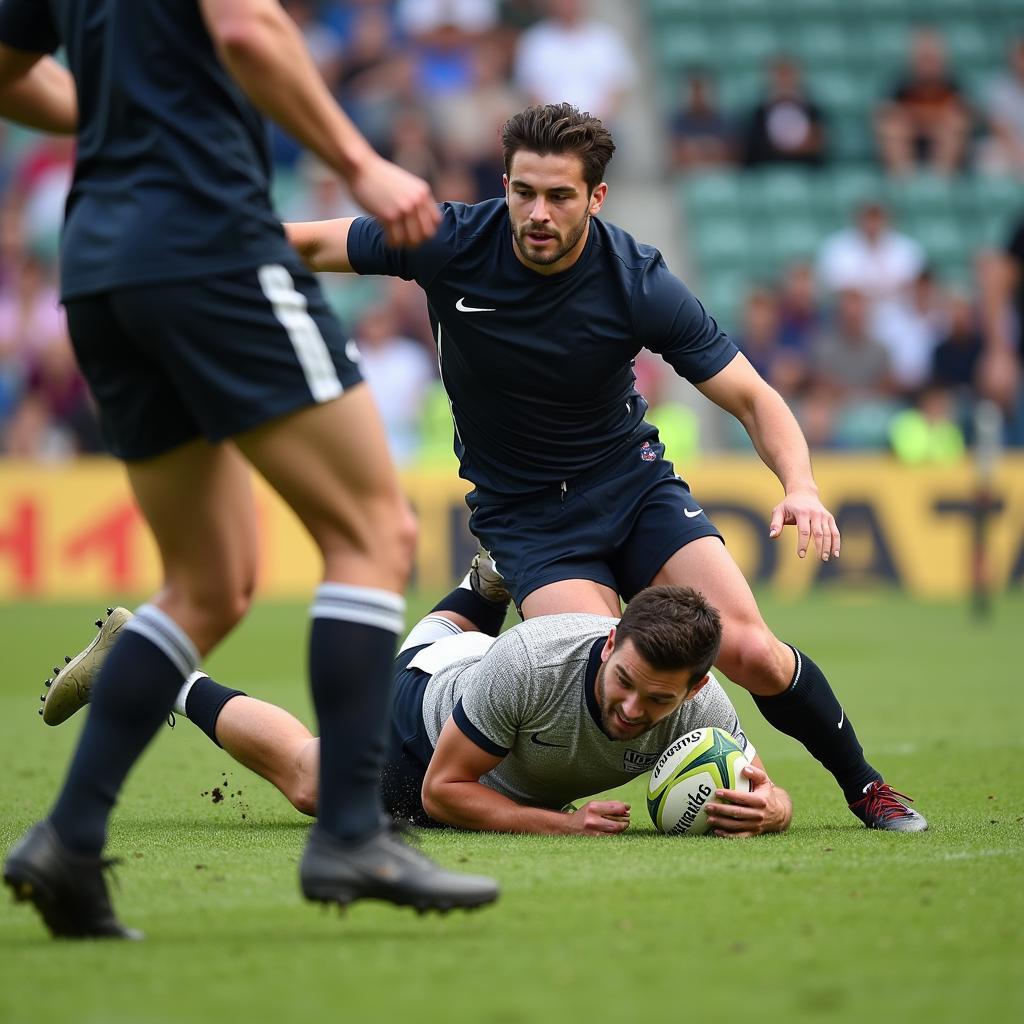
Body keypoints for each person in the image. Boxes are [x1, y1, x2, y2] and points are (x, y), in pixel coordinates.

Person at [284, 102, 927, 835]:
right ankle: (496, 614)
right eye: (523, 192)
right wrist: (193, 253)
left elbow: (753, 396)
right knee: (607, 676)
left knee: (749, 648)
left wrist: (802, 485)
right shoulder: (448, 241)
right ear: (505, 185)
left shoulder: (635, 280)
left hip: (633, 486)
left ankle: (867, 786)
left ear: (596, 197)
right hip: (528, 516)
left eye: (560, 196)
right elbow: (301, 244)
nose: (537, 212)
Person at [0, 0, 497, 941]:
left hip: (100, 264)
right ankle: (352, 830)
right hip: (210, 246)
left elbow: (10, 69)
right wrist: (363, 163)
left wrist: (116, 107)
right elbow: (245, 26)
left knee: (209, 582)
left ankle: (67, 841)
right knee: (373, 534)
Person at [42, 585, 792, 838]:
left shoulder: (706, 708)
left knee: (465, 659)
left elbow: (766, 787)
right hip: (425, 720)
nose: (633, 709)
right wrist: (563, 826)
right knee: (314, 782)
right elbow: (443, 793)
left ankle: (482, 582)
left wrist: (772, 812)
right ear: (610, 642)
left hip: (482, 681)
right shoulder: (537, 661)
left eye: (656, 699)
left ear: (692, 691)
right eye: (623, 679)